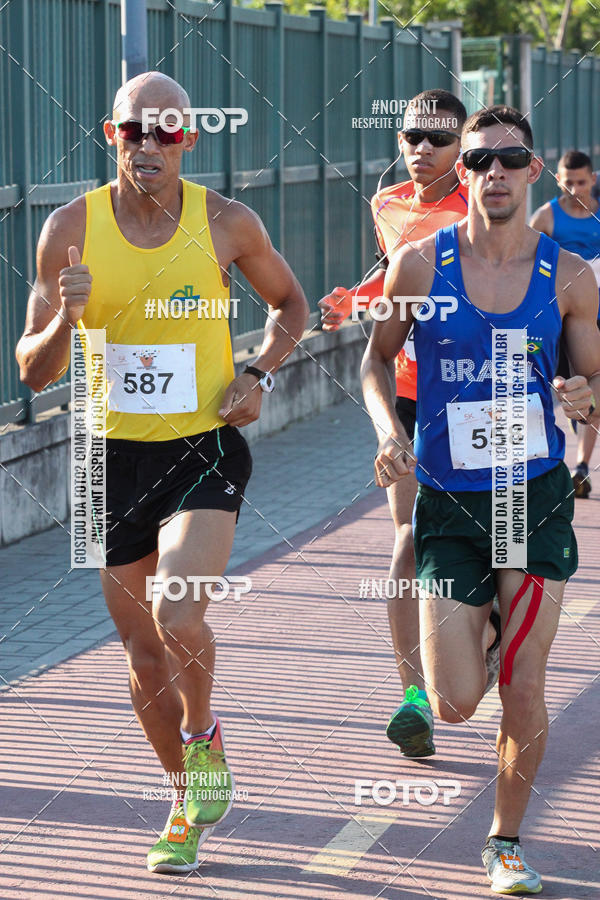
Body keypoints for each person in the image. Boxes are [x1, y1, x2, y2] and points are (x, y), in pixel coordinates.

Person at [16, 71, 308, 874]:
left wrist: (261, 374)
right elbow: (33, 371)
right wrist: (66, 322)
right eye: (133, 130)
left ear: (190, 140)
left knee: (179, 615)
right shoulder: (69, 229)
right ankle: (184, 801)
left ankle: (202, 728)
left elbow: (292, 305)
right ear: (111, 135)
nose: (149, 144)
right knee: (143, 654)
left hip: (204, 445)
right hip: (109, 457)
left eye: (166, 131)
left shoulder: (226, 222)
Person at [361, 105, 600, 894]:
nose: (492, 173)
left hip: (531, 495)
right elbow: (374, 364)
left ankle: (504, 843)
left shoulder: (567, 275)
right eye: (476, 162)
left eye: (509, 159)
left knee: (524, 687)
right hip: (449, 500)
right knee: (459, 701)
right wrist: (387, 433)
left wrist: (582, 394)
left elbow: (596, 384)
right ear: (459, 175)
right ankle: (487, 626)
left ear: (533, 172)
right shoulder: (420, 266)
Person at [320, 89, 469, 758]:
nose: (421, 148)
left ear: (462, 146)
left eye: (437, 138)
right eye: (411, 136)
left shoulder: (485, 201)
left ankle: (480, 655)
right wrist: (353, 300)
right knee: (408, 541)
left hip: (479, 400)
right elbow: (395, 280)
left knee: (496, 549)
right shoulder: (385, 205)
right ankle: (413, 696)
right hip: (408, 396)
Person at [530, 149, 600, 498]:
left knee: (591, 388)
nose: (574, 188)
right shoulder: (545, 217)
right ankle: (548, 456)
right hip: (556, 324)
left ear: (594, 180)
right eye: (567, 181)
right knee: (561, 390)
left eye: (581, 182)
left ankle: (582, 465)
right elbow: (520, 259)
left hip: (595, 320)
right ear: (557, 178)